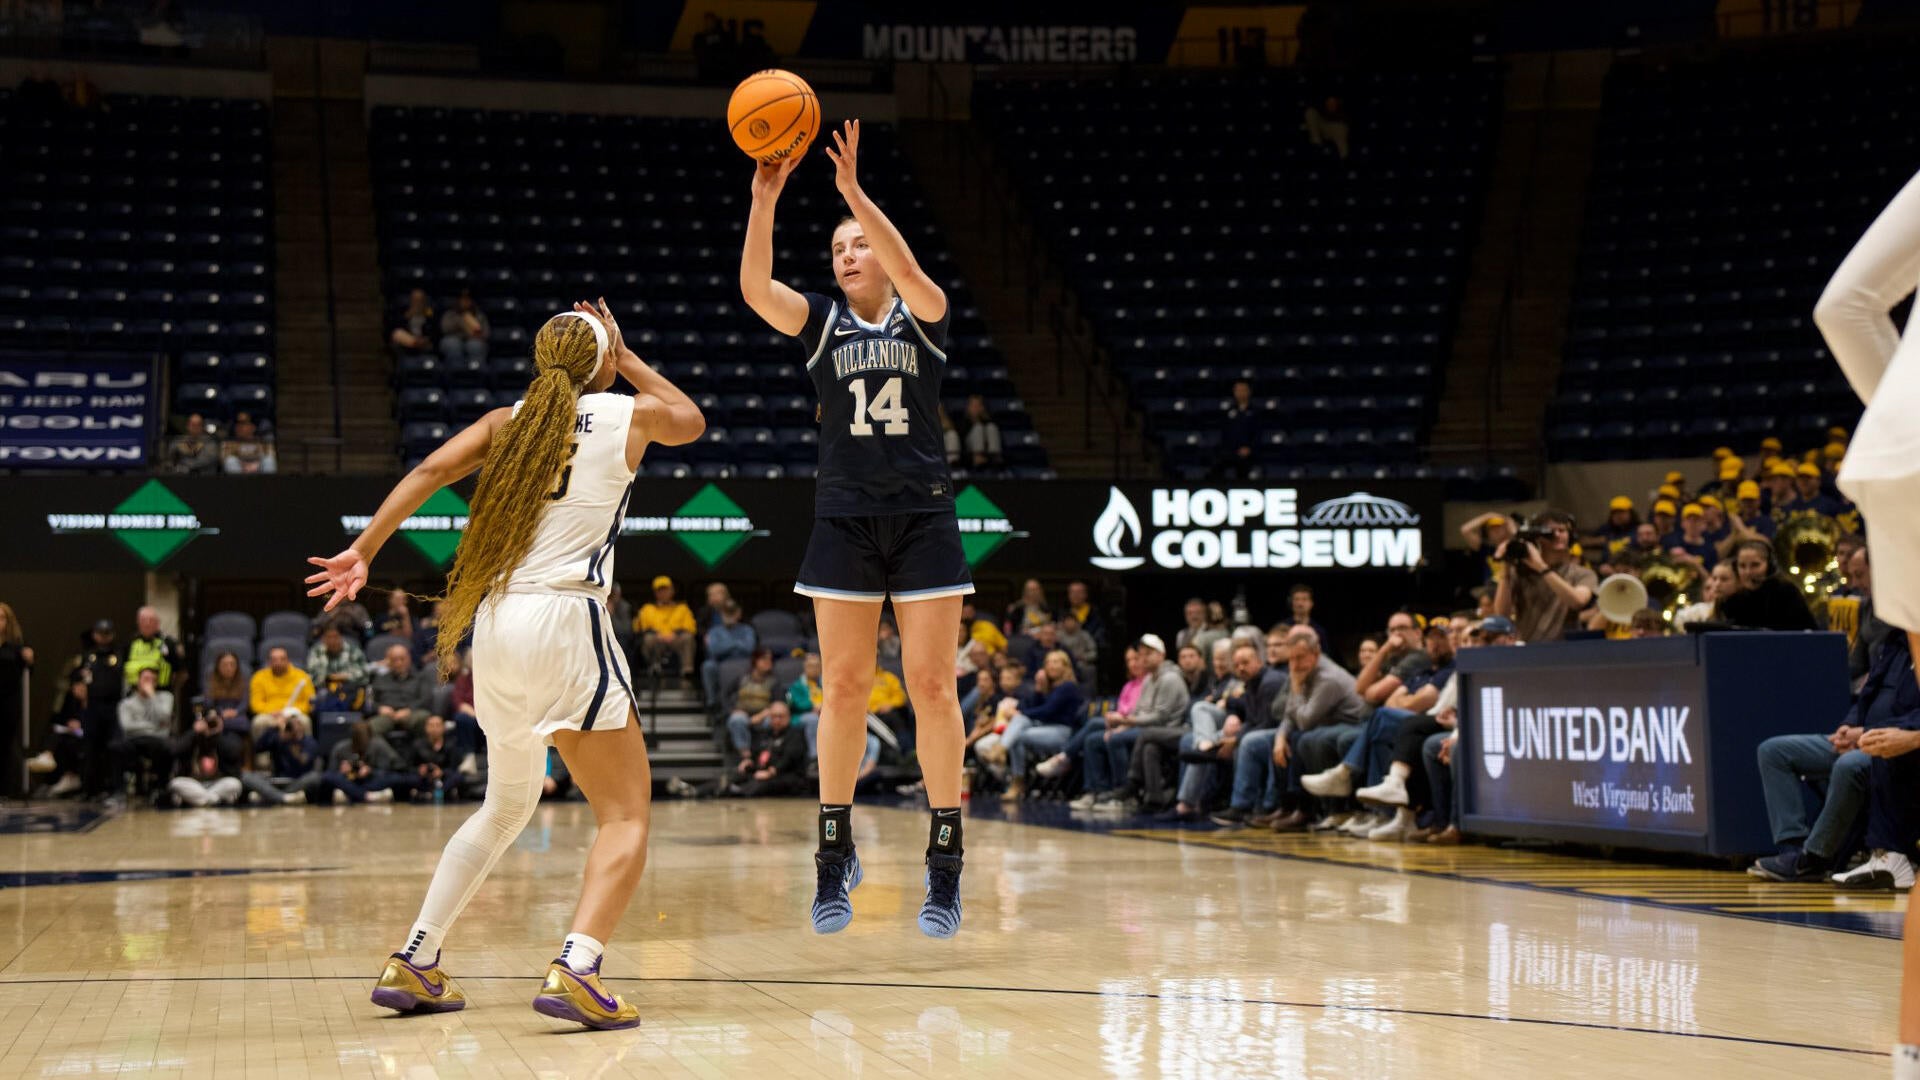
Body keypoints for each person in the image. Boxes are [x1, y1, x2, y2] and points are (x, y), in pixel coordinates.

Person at [305, 300, 703, 1028]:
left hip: (496, 626)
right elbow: (689, 417)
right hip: (563, 620)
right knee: (625, 816)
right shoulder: (626, 416)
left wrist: (364, 548)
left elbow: (429, 468)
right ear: (602, 365)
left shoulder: (507, 422)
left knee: (507, 804)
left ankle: (417, 960)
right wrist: (625, 352)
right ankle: (578, 968)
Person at [742, 121, 971, 937]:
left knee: (932, 688)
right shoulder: (822, 327)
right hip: (842, 517)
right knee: (840, 690)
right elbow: (755, 290)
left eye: (857, 245)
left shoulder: (926, 316)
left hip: (923, 518)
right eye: (838, 246)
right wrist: (765, 199)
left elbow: (909, 269)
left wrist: (853, 196)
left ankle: (945, 864)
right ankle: (832, 852)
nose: (847, 253)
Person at [1492, 511, 1599, 643]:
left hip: (1566, 650)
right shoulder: (1520, 573)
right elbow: (1501, 615)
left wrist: (1542, 568)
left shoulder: (1583, 574)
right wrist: (1506, 569)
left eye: (1562, 530)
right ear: (1537, 537)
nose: (1557, 535)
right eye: (1550, 532)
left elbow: (1577, 601)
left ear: (1570, 537)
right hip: (1528, 649)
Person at [1717, 540, 1817, 631]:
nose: (1748, 572)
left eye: (1755, 565)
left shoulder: (1786, 592)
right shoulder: (1735, 600)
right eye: (1742, 566)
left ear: (1770, 566)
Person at [114, 667, 175, 796]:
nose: (149, 683)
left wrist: (152, 696)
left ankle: (162, 789)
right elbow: (127, 726)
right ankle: (118, 792)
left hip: (157, 739)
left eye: (153, 680)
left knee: (167, 747)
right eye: (146, 679)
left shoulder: (166, 697)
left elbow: (164, 717)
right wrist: (154, 726)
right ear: (138, 681)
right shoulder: (126, 703)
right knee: (116, 747)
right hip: (135, 739)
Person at [370, 643, 439, 745]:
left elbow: (426, 699)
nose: (399, 663)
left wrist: (409, 710)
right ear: (388, 661)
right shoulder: (380, 679)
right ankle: (390, 757)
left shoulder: (420, 678)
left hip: (411, 714)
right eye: (394, 660)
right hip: (387, 715)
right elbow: (370, 702)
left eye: (402, 659)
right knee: (368, 728)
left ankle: (419, 754)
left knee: (424, 717)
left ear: (409, 659)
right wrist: (379, 708)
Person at [634, 575, 697, 676]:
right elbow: (640, 628)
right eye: (660, 590)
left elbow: (690, 627)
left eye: (666, 590)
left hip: (676, 639)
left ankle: (687, 671)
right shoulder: (647, 608)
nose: (663, 593)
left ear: (672, 591)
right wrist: (658, 635)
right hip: (657, 639)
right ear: (655, 593)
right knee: (648, 638)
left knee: (688, 638)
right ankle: (654, 668)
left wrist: (674, 634)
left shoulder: (682, 608)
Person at [701, 601, 756, 714]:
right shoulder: (714, 631)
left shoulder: (747, 630)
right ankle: (712, 703)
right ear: (721, 614)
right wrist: (737, 643)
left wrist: (725, 645)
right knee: (708, 666)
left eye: (732, 612)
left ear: (738, 614)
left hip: (742, 663)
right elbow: (714, 650)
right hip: (720, 663)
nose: (729, 615)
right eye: (726, 612)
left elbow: (749, 648)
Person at [0, 603, 31, 798]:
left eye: (2, 618)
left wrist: (29, 660)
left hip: (8, 703)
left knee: (5, 746)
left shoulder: (15, 649)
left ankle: (5, 789)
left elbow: (26, 674)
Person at [249, 646, 313, 737]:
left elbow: (309, 702)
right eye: (274, 660)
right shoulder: (259, 677)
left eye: (282, 659)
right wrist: (273, 711)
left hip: (294, 714)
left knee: (305, 722)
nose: (278, 663)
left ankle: (305, 750)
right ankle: (261, 751)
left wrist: (291, 712)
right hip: (270, 714)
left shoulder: (302, 676)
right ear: (269, 662)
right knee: (258, 723)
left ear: (288, 660)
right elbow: (255, 703)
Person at [307, 622, 370, 713]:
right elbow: (312, 677)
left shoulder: (353, 650)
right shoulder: (316, 652)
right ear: (323, 639)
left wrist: (345, 677)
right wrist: (330, 678)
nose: (333, 641)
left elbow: (365, 675)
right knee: (320, 697)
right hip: (324, 689)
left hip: (350, 688)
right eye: (329, 637)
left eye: (335, 637)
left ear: (341, 637)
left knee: (358, 696)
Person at [1215, 379, 1257, 478]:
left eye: (1243, 390)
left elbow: (1257, 434)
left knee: (1244, 466)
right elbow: (1225, 434)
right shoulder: (1229, 412)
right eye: (1237, 390)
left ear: (1249, 391)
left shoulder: (1255, 412)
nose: (1240, 393)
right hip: (1231, 451)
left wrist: (1250, 448)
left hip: (1249, 452)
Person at [439, 289, 490, 364]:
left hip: (473, 340)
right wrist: (462, 322)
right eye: (463, 299)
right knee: (452, 344)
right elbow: (444, 329)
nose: (465, 302)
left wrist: (475, 330)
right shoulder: (450, 314)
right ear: (458, 301)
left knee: (475, 346)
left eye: (468, 299)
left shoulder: (479, 315)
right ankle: (455, 370)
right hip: (453, 339)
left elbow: (486, 333)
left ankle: (476, 370)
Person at [961, 394, 1003, 472]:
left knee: (991, 427)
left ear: (982, 408)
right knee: (978, 428)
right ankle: (978, 458)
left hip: (988, 450)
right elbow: (962, 439)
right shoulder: (964, 421)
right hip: (970, 452)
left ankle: (995, 457)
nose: (976, 408)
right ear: (968, 407)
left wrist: (982, 418)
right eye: (974, 406)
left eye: (978, 406)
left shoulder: (988, 421)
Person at [391, 289, 436, 357]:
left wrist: (426, 315)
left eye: (420, 300)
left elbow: (434, 330)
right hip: (409, 341)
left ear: (424, 301)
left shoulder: (430, 313)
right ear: (411, 300)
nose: (417, 303)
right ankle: (416, 343)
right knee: (397, 333)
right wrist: (407, 317)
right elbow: (396, 327)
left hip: (424, 340)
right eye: (415, 300)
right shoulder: (403, 312)